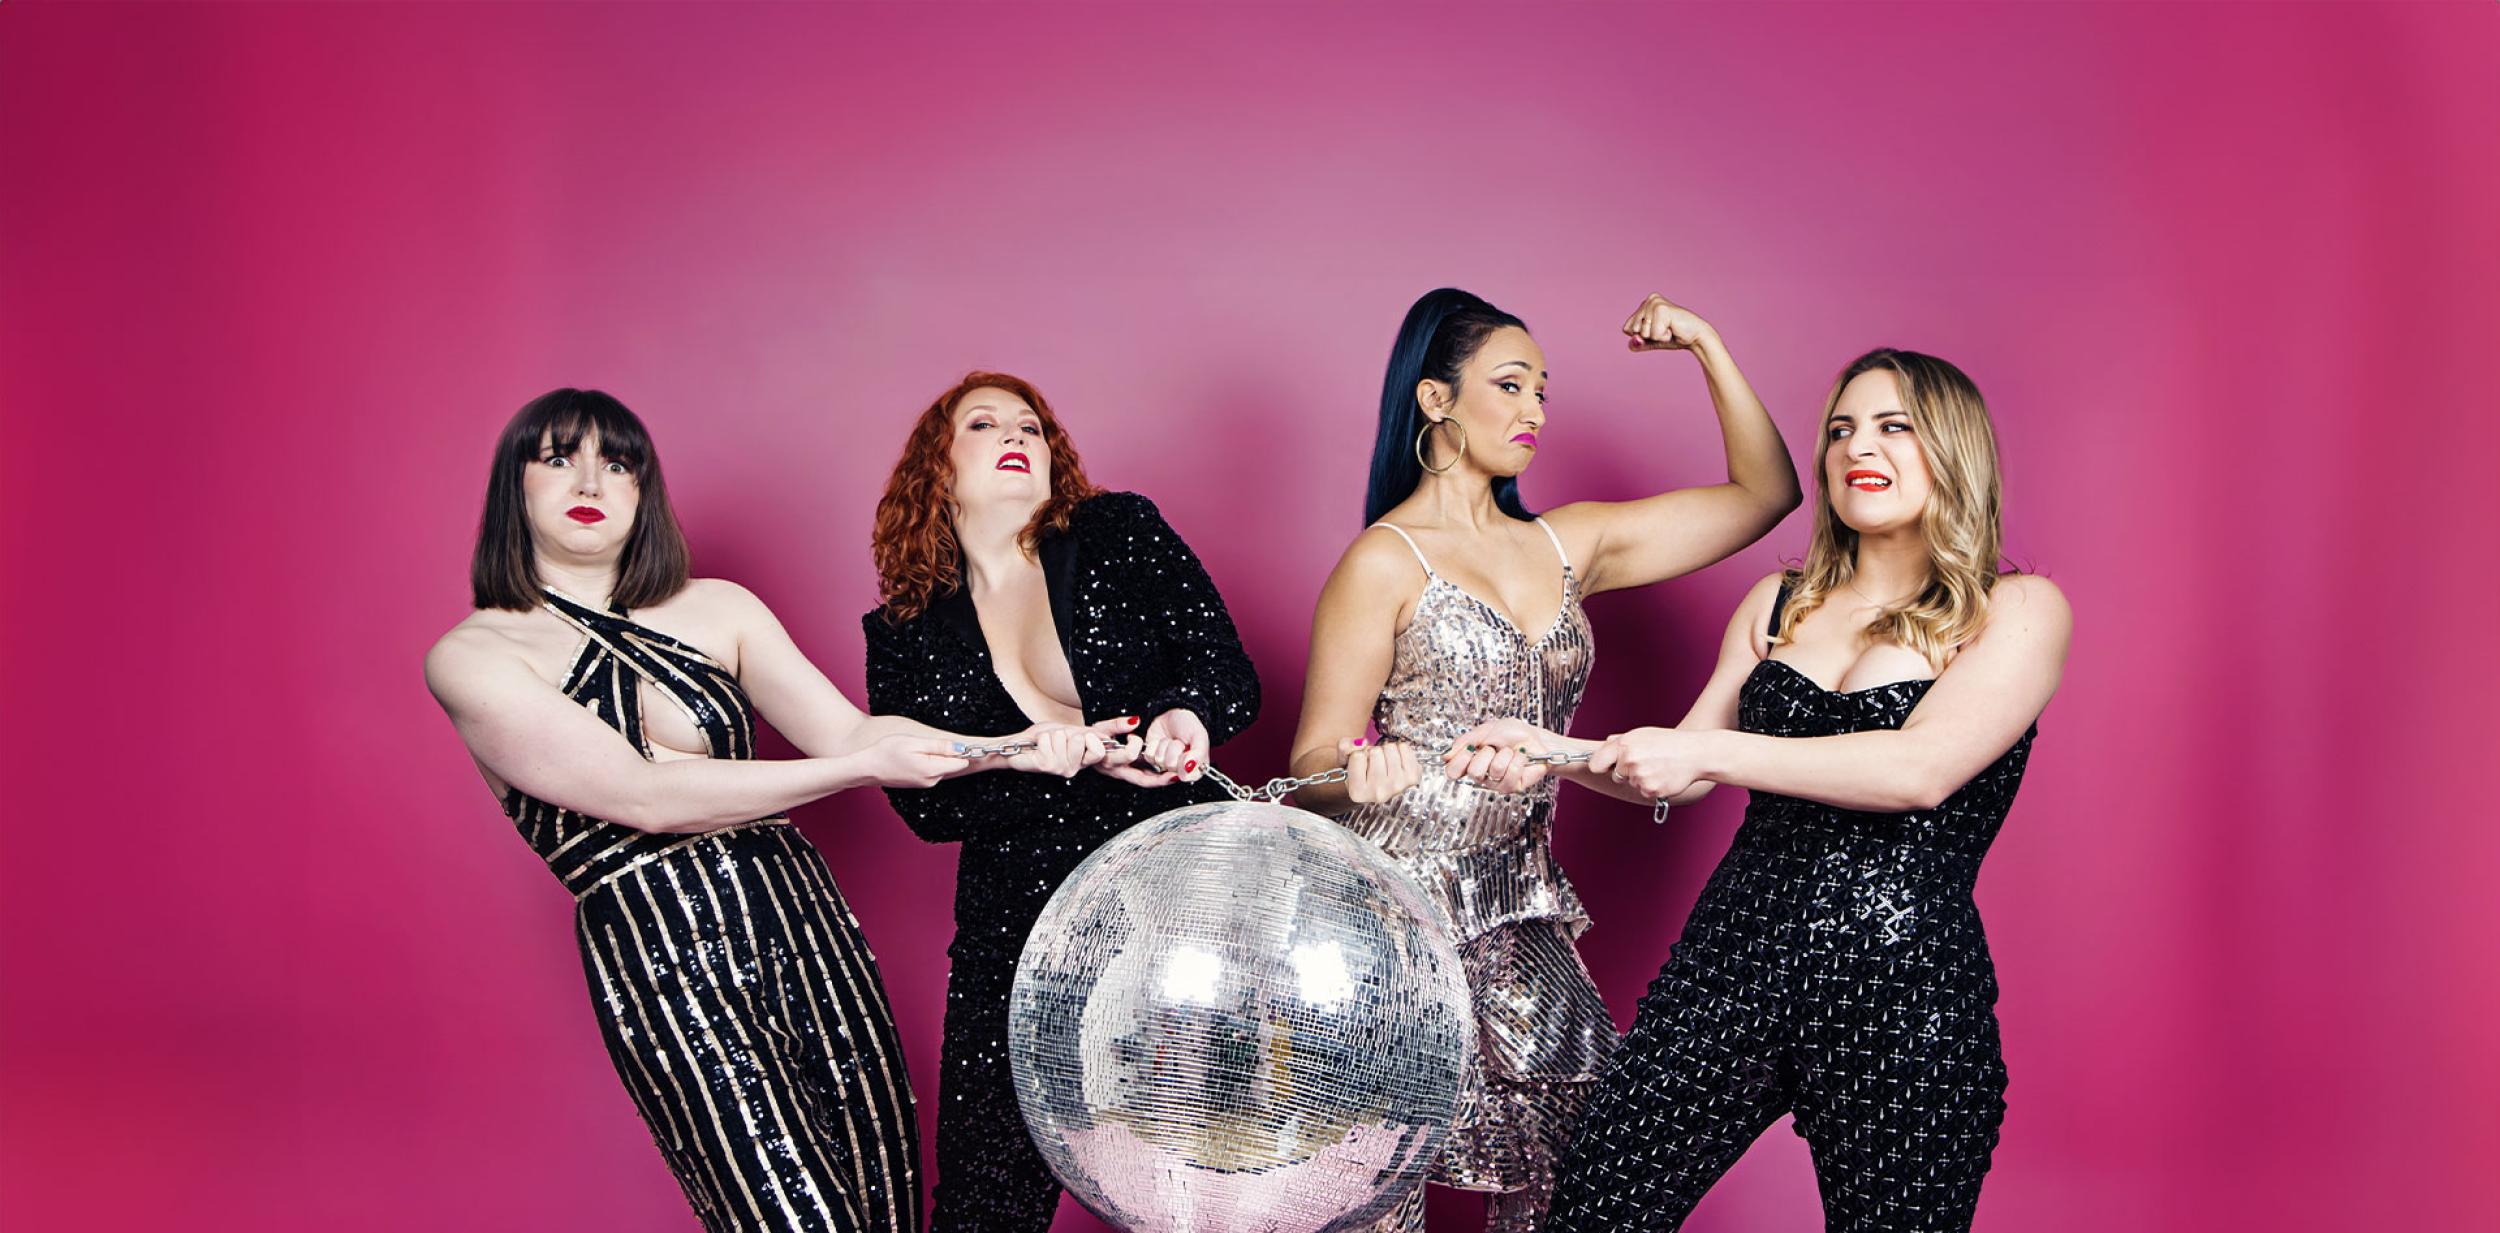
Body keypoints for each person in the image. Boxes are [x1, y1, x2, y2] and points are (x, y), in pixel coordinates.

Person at [425, 388, 1106, 1233]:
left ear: (645, 490)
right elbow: (644, 794)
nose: (591, 478)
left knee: (881, 1201)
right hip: (660, 949)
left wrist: (1016, 745)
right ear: (514, 488)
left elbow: (855, 728)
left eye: (619, 461)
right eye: (558, 457)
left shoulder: (719, 607)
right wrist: (850, 767)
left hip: (801, 920)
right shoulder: (473, 654)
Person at [1479, 350, 2070, 1231]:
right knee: (1594, 1210)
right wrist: (1554, 752)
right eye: (1839, 429)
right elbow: (1674, 761)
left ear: (1953, 447)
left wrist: (1713, 750)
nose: (1854, 447)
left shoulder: (2015, 608)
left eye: (1891, 425)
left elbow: (1919, 770)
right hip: (1733, 963)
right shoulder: (1777, 602)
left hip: (1903, 985)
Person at [1286, 290, 1800, 1230]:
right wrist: (1352, 770)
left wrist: (1707, 345)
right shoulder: (1384, 560)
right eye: (1510, 385)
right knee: (1375, 1183)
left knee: (1580, 1173)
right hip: (1396, 915)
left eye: (1543, 393)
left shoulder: (1568, 545)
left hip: (1520, 903)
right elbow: (1315, 755)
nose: (1533, 413)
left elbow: (1765, 496)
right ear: (1436, 400)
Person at [861, 371, 1261, 1233]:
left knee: (1203, 1169)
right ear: (938, 466)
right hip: (1014, 928)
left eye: (1033, 426)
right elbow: (921, 804)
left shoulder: (1118, 532)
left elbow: (1227, 674)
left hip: (1169, 907)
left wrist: (1184, 715)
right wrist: (1033, 764)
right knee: (984, 1197)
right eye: (984, 422)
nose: (1017, 434)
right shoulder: (902, 630)